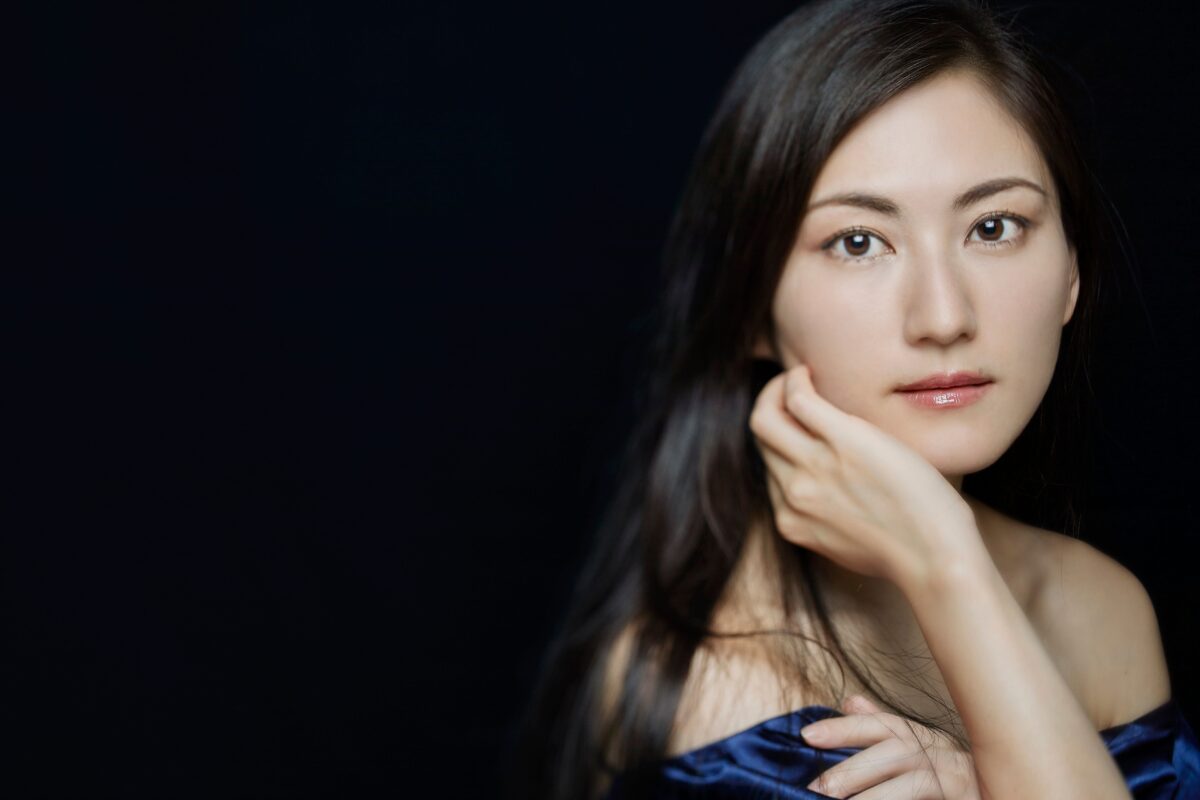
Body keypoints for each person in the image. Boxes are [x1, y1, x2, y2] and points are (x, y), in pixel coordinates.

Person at [505, 0, 1200, 797]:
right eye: (858, 242)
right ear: (749, 309)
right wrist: (946, 561)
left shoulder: (1099, 607)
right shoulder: (711, 684)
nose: (944, 316)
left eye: (994, 227)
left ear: (1071, 272)